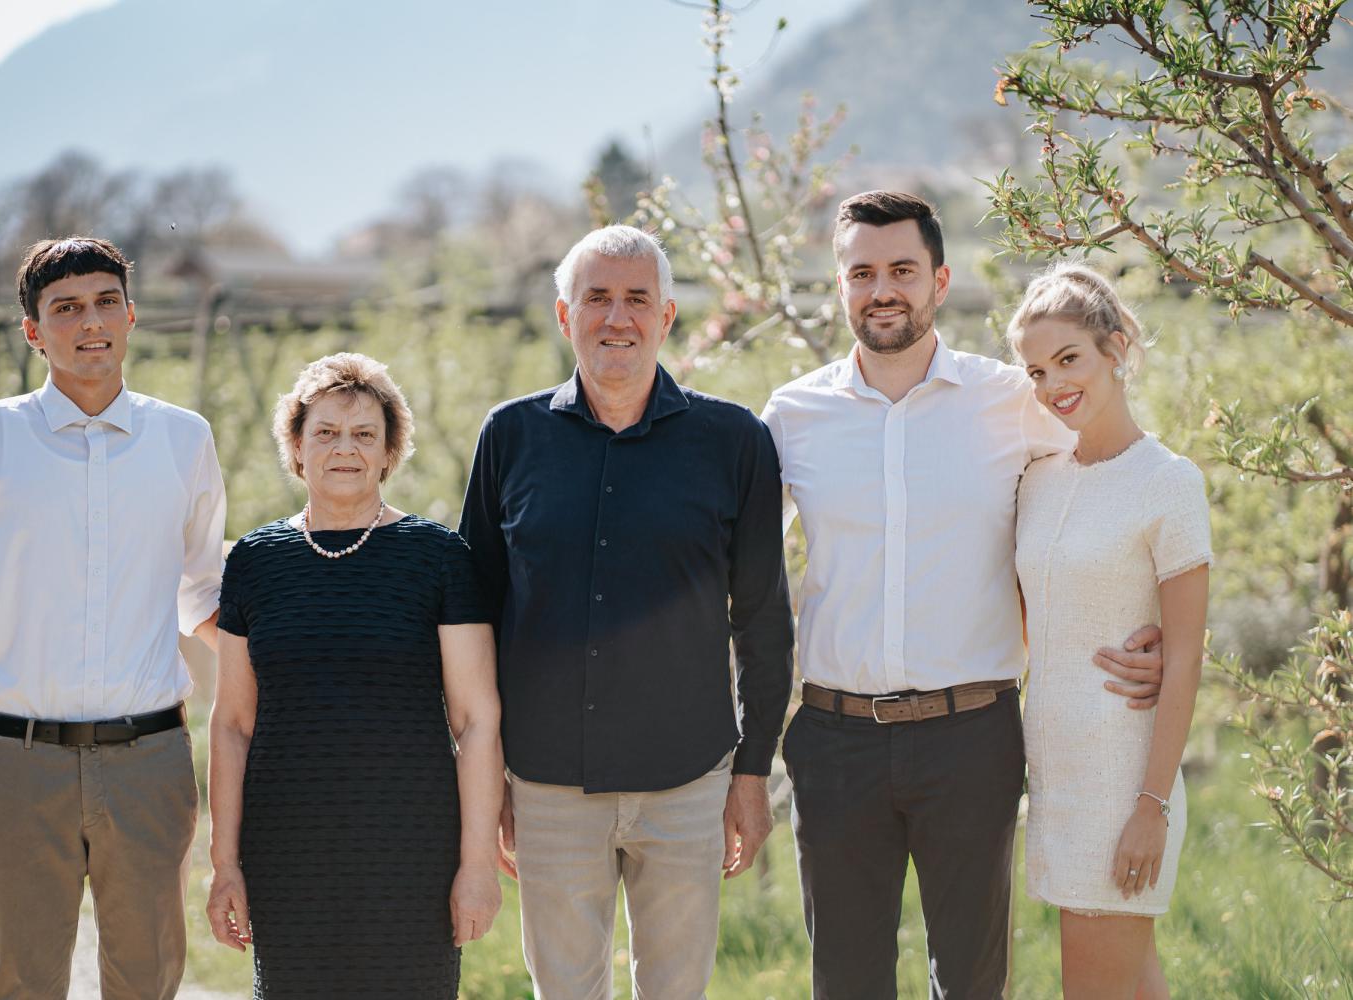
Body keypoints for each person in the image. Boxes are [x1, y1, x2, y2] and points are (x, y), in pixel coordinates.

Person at [761, 192, 1166, 999]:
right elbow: (733, 567)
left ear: (939, 280)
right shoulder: (791, 415)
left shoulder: (1009, 398)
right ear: (839, 287)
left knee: (975, 981)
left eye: (903, 270)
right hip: (834, 742)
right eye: (863, 272)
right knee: (846, 981)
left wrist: (1146, 621)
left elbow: (1115, 483)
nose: (884, 289)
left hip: (971, 737)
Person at [459, 225, 794, 1000]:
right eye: (597, 298)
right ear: (563, 313)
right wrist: (487, 777)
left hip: (689, 784)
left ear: (668, 316)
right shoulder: (510, 436)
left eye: (637, 299)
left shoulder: (733, 441)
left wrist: (750, 772)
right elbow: (474, 616)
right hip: (546, 786)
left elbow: (765, 621)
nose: (618, 318)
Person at [0, 236, 226, 1000]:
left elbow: (206, 601)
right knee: (21, 983)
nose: (90, 323)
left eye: (104, 302)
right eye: (65, 309)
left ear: (130, 315)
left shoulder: (185, 439)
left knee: (148, 981)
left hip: (150, 761)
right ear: (34, 330)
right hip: (18, 766)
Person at [205, 352, 503, 998]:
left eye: (365, 434)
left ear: (391, 450)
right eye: (327, 433)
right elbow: (231, 724)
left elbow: (476, 721)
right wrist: (225, 864)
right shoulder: (255, 562)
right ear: (297, 445)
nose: (346, 449)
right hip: (287, 853)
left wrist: (477, 864)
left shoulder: (439, 558)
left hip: (411, 853)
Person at [1009, 263, 1210, 998]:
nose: (1054, 384)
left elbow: (1185, 654)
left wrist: (1150, 808)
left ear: (1116, 349)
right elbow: (1035, 614)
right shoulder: (1038, 477)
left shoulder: (1168, 481)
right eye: (1035, 370)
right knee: (1135, 984)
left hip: (1122, 780)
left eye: (1069, 359)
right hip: (1054, 769)